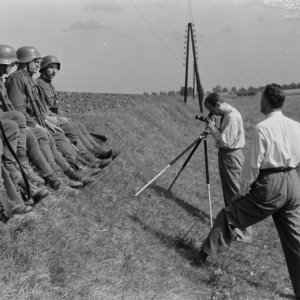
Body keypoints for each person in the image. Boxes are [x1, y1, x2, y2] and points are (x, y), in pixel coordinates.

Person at [194, 84, 300, 299]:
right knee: (295, 240)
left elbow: (252, 165)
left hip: (272, 183)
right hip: (293, 181)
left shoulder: (263, 128)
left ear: (267, 101)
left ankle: (200, 258)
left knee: (228, 215)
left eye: (261, 98)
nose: (260, 102)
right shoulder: (296, 125)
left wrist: (241, 192)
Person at [5, 46, 93, 192]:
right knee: (42, 136)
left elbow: (38, 108)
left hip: (31, 121)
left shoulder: (27, 79)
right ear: (26, 62)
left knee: (51, 138)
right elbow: (18, 109)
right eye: (35, 62)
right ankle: (57, 180)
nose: (38, 65)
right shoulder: (17, 79)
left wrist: (46, 119)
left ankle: (69, 174)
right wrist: (36, 124)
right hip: (23, 123)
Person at [36, 55, 119, 161]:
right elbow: (43, 108)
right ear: (43, 69)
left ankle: (97, 150)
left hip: (54, 117)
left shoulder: (50, 85)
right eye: (51, 67)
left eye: (56, 68)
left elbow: (55, 106)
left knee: (79, 125)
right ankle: (88, 155)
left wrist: (63, 116)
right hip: (47, 119)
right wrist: (60, 118)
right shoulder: (39, 85)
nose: (54, 71)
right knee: (72, 127)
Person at [204, 92, 251, 242]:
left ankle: (243, 233)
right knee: (229, 193)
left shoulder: (231, 116)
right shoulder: (228, 115)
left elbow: (225, 141)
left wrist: (212, 129)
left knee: (235, 192)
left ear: (218, 104)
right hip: (228, 155)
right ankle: (234, 227)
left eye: (213, 109)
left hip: (231, 156)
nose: (213, 113)